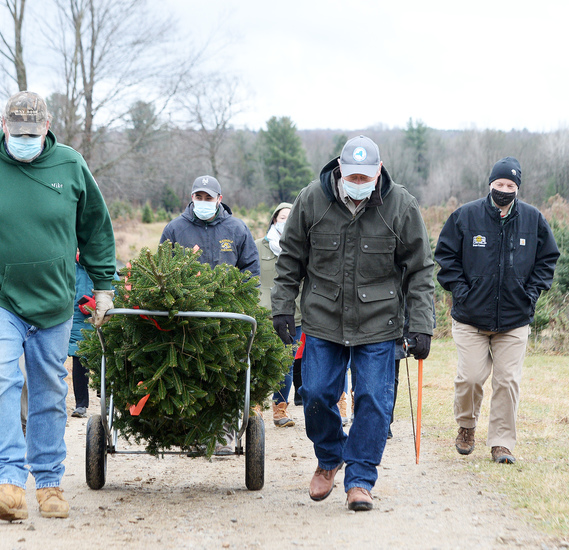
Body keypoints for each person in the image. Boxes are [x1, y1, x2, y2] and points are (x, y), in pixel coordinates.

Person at [0, 91, 116, 521]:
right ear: (3, 124)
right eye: (17, 132)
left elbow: (96, 228)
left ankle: (48, 482)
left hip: (54, 301)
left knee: (49, 390)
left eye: (33, 132)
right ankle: (8, 481)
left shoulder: (70, 165)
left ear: (47, 127)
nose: (25, 139)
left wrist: (104, 285)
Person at [271, 135, 434, 512]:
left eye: (365, 177)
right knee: (314, 394)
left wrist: (421, 325)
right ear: (339, 168)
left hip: (380, 322)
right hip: (324, 318)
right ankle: (329, 458)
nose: (358, 184)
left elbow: (421, 270)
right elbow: (290, 259)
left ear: (378, 172)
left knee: (375, 401)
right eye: (352, 176)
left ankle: (360, 479)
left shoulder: (401, 205)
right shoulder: (312, 199)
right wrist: (283, 307)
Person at [434, 157, 559, 465]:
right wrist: (461, 293)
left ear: (518, 188)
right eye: (500, 184)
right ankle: (466, 425)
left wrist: (531, 296)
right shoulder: (465, 216)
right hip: (470, 317)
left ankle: (502, 443)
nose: (505, 190)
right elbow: (445, 257)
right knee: (472, 378)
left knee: (507, 381)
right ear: (490, 184)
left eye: (511, 186)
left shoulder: (533, 219)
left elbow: (548, 259)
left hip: (515, 319)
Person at [160, 175, 260, 453]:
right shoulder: (175, 229)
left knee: (225, 375)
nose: (203, 202)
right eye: (198, 197)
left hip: (226, 318)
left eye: (209, 197)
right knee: (188, 374)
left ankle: (223, 435)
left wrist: (243, 300)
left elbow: (251, 270)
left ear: (220, 199)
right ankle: (189, 433)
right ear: (192, 198)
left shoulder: (237, 229)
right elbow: (162, 270)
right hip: (185, 320)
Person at [256, 202, 301, 428]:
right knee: (258, 360)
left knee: (286, 364)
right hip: (263, 316)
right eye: (282, 217)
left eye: (291, 217)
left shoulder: (301, 249)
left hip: (294, 316)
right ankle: (255, 406)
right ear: (274, 220)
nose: (286, 221)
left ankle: (279, 409)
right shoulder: (257, 247)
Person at [69, 256, 95, 418]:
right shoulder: (70, 268)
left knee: (102, 363)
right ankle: (81, 404)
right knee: (79, 363)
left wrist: (96, 304)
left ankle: (105, 401)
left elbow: (115, 291)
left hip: (98, 322)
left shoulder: (101, 268)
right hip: (77, 324)